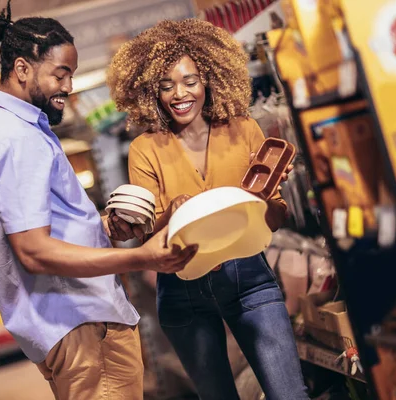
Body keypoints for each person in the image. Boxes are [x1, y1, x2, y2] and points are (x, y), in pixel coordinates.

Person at [0, 4, 198, 400]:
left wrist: (106, 228)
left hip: (76, 321)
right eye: (60, 74)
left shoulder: (15, 129)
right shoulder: (14, 138)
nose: (69, 87)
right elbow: (35, 252)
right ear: (22, 69)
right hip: (81, 322)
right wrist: (145, 258)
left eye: (70, 75)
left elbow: (45, 228)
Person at [107, 19, 309, 400]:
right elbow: (149, 234)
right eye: (166, 85)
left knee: (289, 395)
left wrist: (264, 200)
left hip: (247, 275)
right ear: (152, 91)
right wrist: (173, 213)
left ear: (210, 78)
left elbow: (276, 218)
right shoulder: (145, 149)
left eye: (190, 81)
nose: (179, 94)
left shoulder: (245, 129)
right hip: (182, 288)